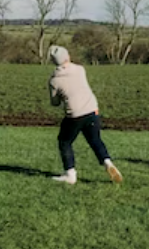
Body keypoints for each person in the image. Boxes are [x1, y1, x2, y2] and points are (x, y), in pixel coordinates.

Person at [48, 45, 122, 185]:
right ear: (68, 57)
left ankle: (70, 175)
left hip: (74, 115)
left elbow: (55, 102)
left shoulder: (54, 80)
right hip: (92, 109)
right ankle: (107, 162)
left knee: (65, 142)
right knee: (95, 140)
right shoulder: (80, 69)